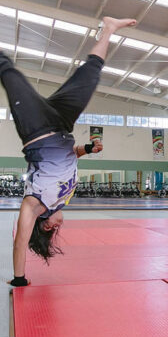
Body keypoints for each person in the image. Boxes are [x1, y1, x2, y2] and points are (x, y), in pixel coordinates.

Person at [2, 16, 137, 287]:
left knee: (8, 71)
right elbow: (70, 156)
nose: (56, 226)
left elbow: (19, 242)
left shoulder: (33, 204)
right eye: (56, 230)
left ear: (39, 223)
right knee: (90, 75)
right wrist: (88, 148)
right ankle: (109, 28)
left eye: (48, 229)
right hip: (62, 124)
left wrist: (19, 278)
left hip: (36, 127)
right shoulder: (65, 197)